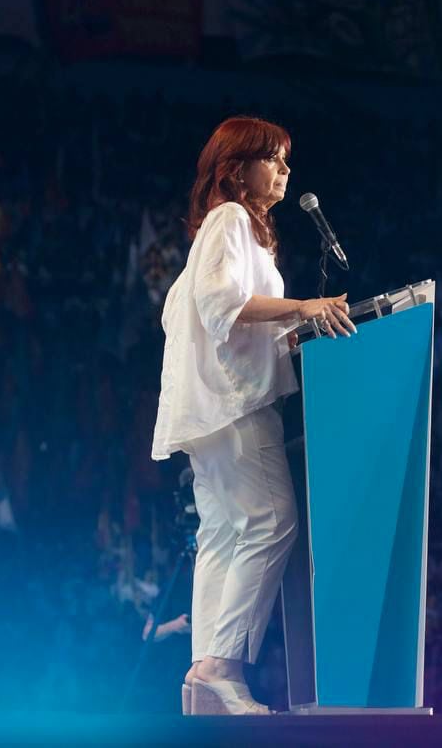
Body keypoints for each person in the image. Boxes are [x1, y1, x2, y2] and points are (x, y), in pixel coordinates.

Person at [150, 116, 356, 714]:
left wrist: (296, 329)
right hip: (235, 405)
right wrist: (304, 305)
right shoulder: (230, 219)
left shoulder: (230, 232)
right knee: (272, 522)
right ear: (238, 170)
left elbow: (229, 318)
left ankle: (202, 676)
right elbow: (224, 307)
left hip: (211, 410)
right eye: (276, 158)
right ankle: (221, 665)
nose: (287, 170)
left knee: (222, 534)